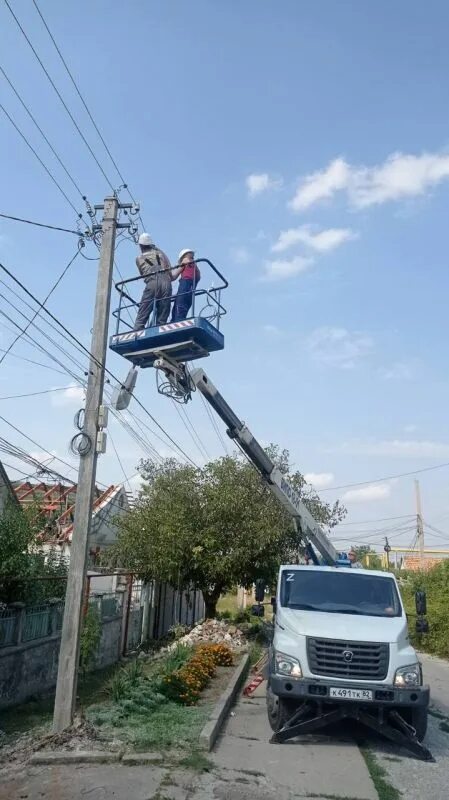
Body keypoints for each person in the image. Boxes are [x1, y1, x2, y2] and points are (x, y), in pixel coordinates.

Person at [133, 233, 177, 330]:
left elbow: (143, 275)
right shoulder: (160, 254)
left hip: (152, 283)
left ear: (140, 245)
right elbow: (169, 270)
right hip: (166, 283)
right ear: (151, 244)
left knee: (144, 310)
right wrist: (157, 249)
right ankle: (160, 329)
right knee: (163, 313)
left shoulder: (139, 259)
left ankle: (137, 330)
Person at [171, 248, 201, 323]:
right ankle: (178, 321)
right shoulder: (195, 266)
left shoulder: (185, 261)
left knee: (178, 309)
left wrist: (166, 274)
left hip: (184, 287)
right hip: (191, 290)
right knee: (182, 309)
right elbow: (198, 277)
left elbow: (174, 276)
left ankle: (176, 322)